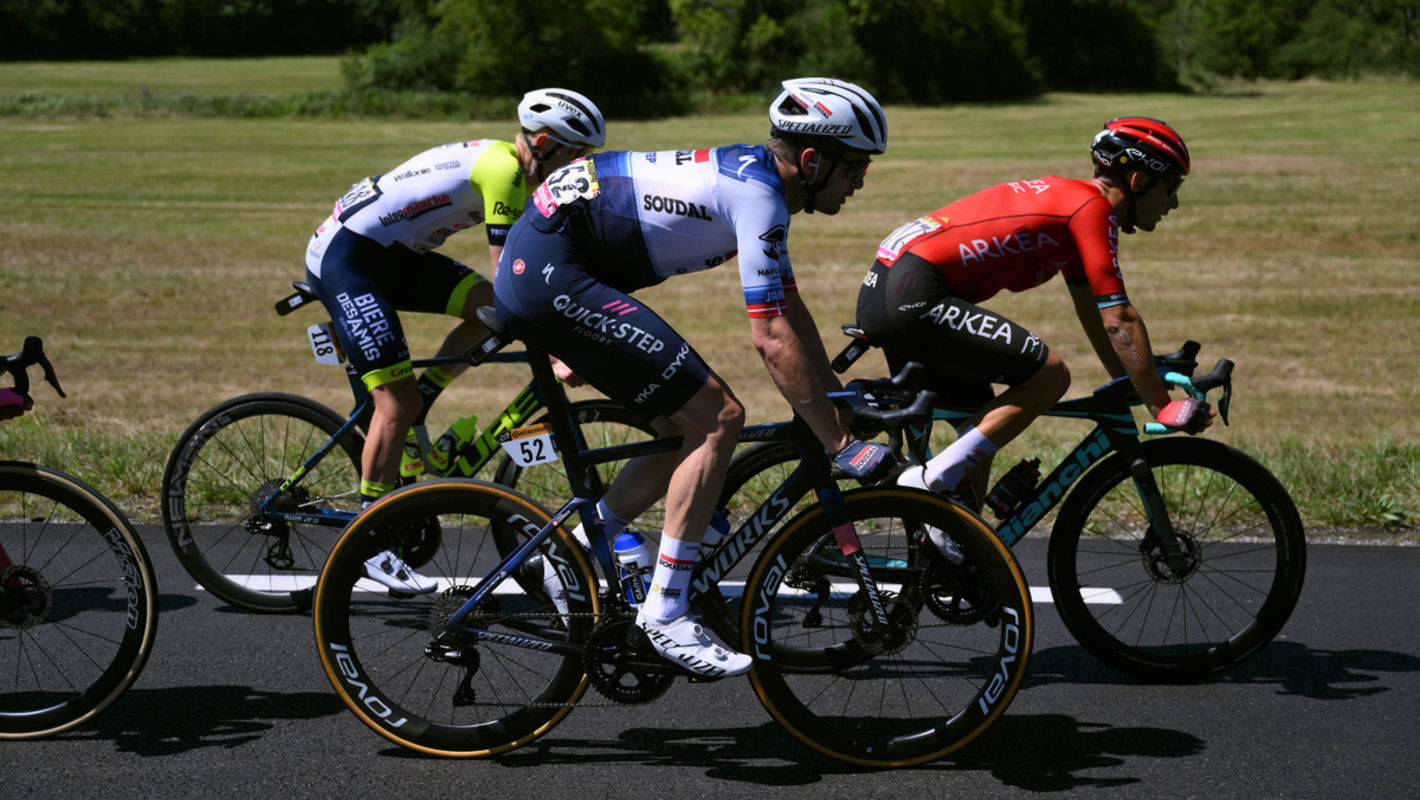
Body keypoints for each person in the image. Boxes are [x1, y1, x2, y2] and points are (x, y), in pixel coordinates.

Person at [492, 77, 896, 677]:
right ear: (812, 160)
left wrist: (833, 405)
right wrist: (840, 443)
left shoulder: (761, 185)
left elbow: (788, 307)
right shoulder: (759, 196)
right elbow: (770, 339)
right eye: (855, 167)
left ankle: (572, 553)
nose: (860, 181)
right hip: (553, 270)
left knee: (677, 428)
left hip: (561, 260)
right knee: (719, 418)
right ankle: (666, 613)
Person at [854, 116, 1214, 560]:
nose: (1173, 203)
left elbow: (1095, 315)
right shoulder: (1092, 209)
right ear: (1138, 180)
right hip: (911, 292)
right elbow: (1120, 319)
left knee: (978, 431)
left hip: (894, 286)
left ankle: (940, 560)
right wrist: (1162, 403)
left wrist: (1128, 380)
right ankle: (925, 484)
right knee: (1051, 376)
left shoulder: (1073, 207)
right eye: (1170, 187)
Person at [303, 88, 606, 593]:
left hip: (391, 255)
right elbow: (514, 280)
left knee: (484, 310)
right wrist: (561, 346)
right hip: (348, 259)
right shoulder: (506, 172)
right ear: (547, 143)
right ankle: (369, 543)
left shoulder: (510, 164)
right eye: (577, 155)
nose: (580, 166)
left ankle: (426, 396)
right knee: (395, 403)